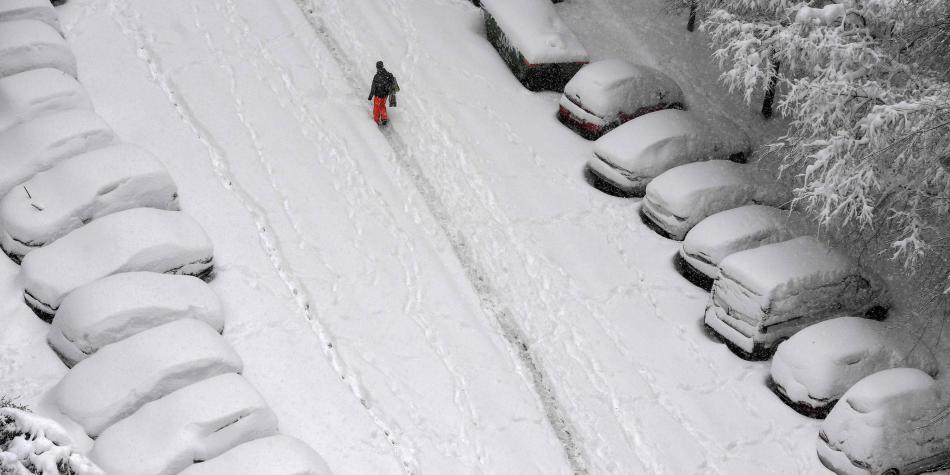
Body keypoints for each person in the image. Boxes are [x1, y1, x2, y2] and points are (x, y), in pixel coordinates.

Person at [368, 61, 398, 126]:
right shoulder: (388, 74)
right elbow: (392, 83)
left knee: (376, 107)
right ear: (383, 66)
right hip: (385, 95)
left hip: (378, 95)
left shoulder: (376, 76)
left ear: (377, 67)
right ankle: (384, 118)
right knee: (382, 105)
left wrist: (370, 95)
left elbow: (373, 87)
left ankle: (376, 120)